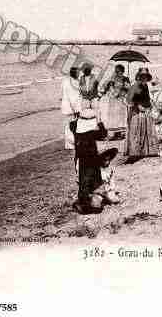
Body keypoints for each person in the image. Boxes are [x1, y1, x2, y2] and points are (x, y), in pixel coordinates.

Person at [73, 63, 107, 214]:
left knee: (84, 166)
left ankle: (86, 196)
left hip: (83, 134)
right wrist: (100, 124)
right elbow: (100, 127)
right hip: (88, 132)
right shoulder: (91, 103)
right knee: (90, 165)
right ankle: (91, 194)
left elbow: (78, 114)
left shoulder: (83, 102)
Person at [125, 67, 159, 161]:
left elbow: (147, 98)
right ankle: (135, 153)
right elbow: (128, 100)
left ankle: (146, 151)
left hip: (146, 111)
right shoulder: (135, 86)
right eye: (142, 77)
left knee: (147, 131)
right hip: (137, 113)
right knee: (136, 132)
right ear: (139, 77)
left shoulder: (145, 86)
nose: (144, 79)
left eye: (146, 77)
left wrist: (150, 105)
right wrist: (137, 105)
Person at [98, 64, 130, 138]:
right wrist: (102, 94)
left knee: (121, 117)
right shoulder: (112, 78)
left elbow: (128, 88)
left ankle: (121, 133)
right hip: (113, 100)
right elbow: (106, 86)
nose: (118, 73)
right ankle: (114, 134)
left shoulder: (125, 79)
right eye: (117, 71)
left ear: (123, 71)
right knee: (113, 117)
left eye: (120, 71)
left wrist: (123, 91)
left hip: (121, 100)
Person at [61, 66, 81, 149]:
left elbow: (63, 93)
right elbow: (73, 97)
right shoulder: (74, 82)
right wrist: (75, 109)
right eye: (78, 73)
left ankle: (69, 143)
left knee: (69, 125)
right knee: (73, 125)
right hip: (72, 107)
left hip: (67, 106)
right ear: (75, 73)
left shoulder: (65, 81)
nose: (79, 74)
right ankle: (73, 142)